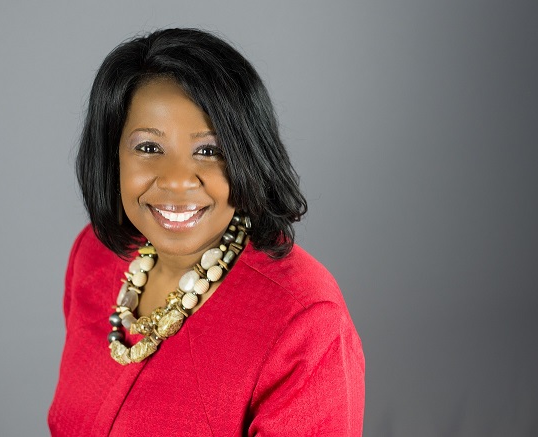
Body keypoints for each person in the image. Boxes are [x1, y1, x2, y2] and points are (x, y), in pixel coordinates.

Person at [48, 28, 365, 436]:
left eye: (209, 150)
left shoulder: (305, 323)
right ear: (113, 155)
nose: (177, 181)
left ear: (249, 156)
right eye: (148, 147)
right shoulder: (93, 255)